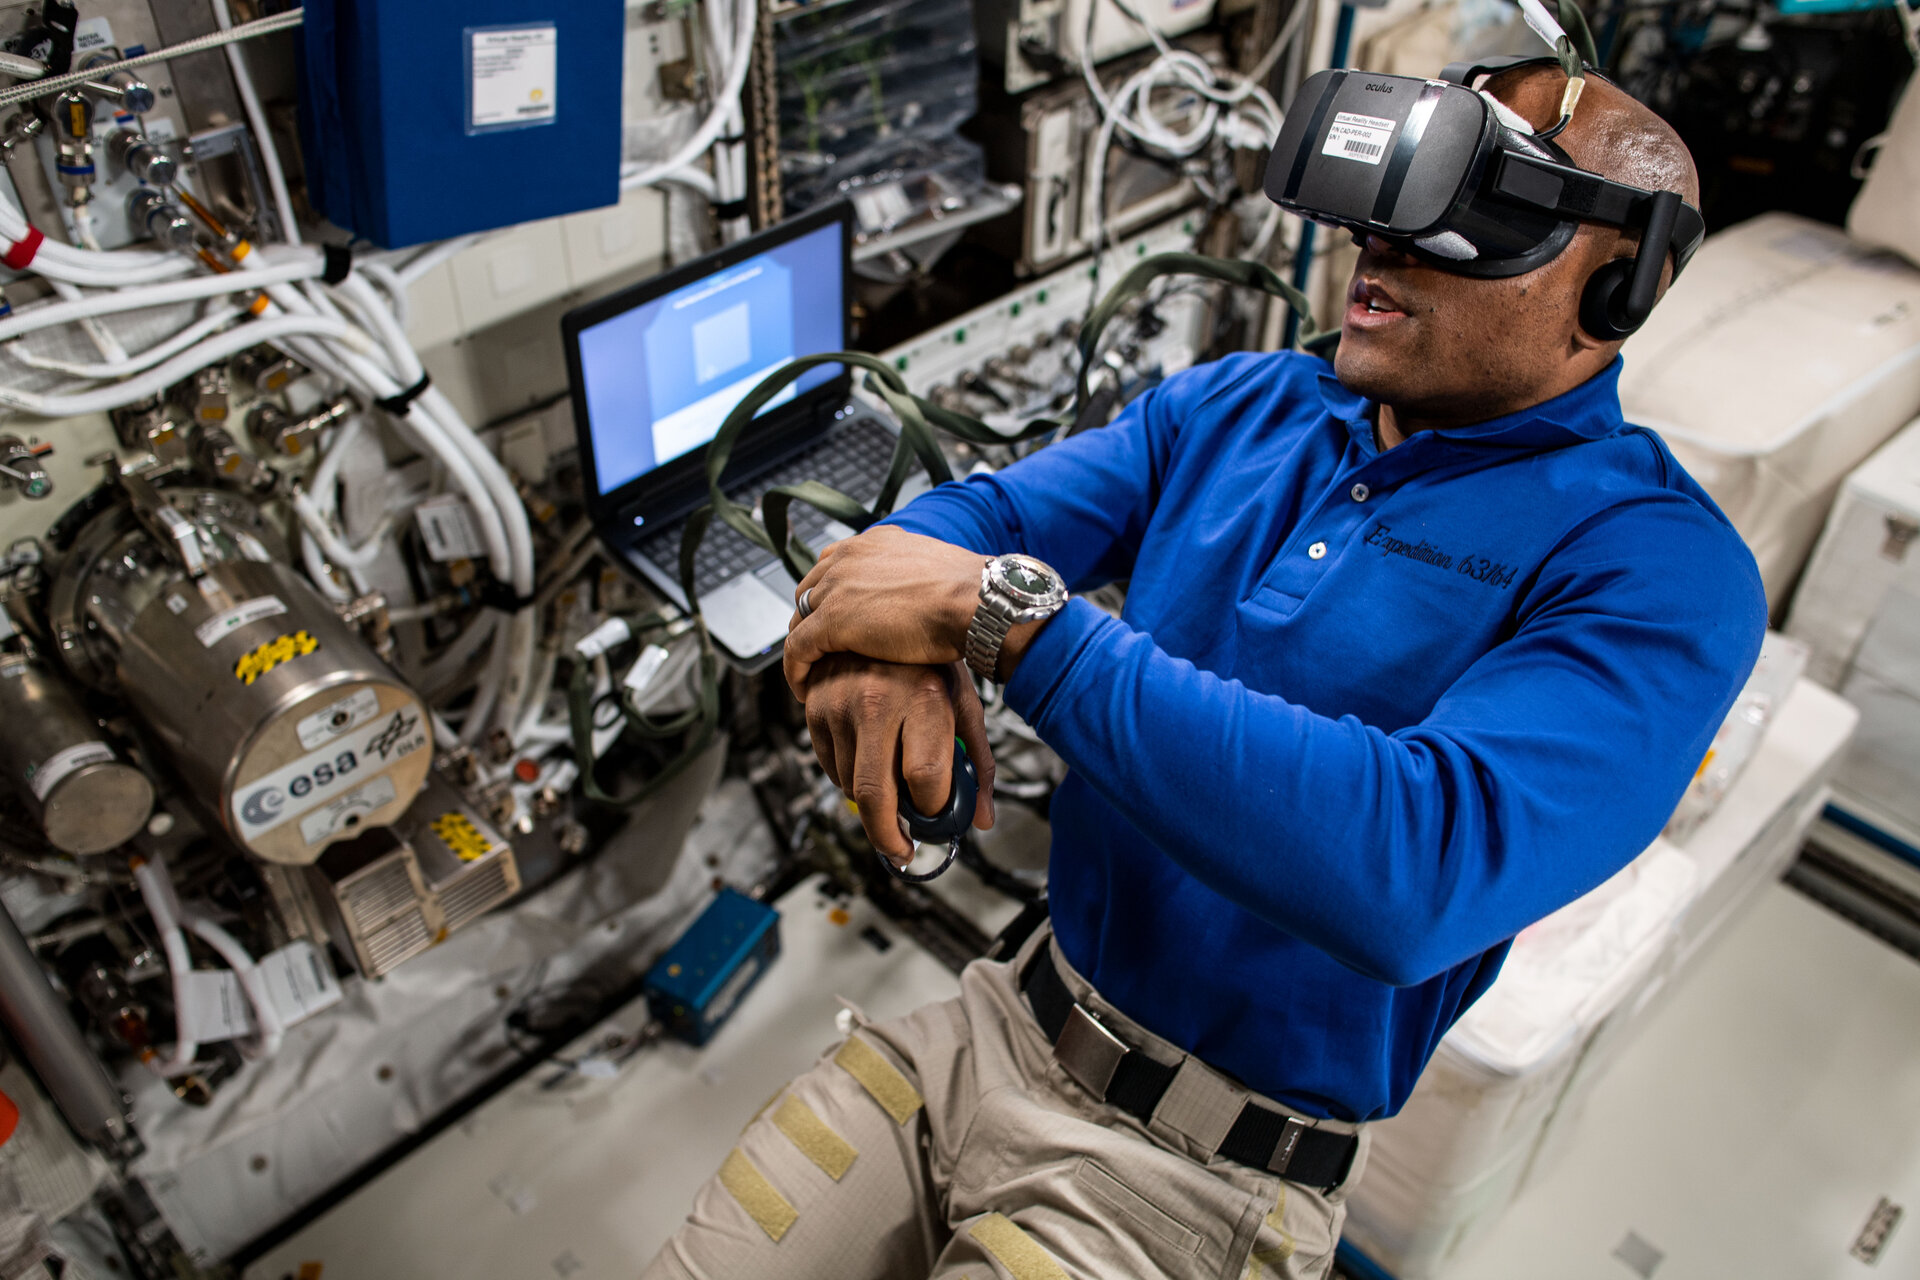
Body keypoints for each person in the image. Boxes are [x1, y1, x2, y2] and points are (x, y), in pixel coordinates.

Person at [642, 64, 1766, 1280]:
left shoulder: (1656, 568)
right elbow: (975, 521)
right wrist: (883, 649)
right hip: (990, 1026)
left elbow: (1413, 868)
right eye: (1378, 207)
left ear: (1620, 280)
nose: (1375, 243)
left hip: (1196, 1186)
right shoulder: (1248, 402)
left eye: (1476, 220)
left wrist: (1006, 623)